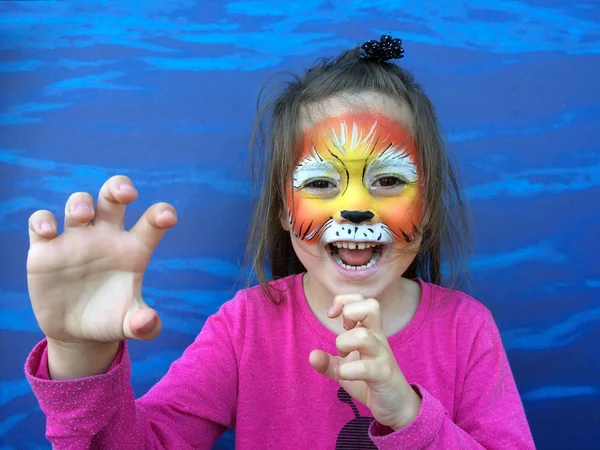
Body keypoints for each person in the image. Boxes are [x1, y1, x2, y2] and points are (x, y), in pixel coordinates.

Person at [25, 35, 535, 449]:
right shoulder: (244, 327)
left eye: (387, 181)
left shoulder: (467, 330)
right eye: (319, 184)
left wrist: (408, 416)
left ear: (426, 210)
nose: (355, 208)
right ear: (285, 215)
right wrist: (78, 356)